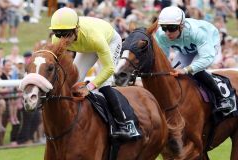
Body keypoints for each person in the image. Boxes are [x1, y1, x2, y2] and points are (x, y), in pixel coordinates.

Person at [49, 7, 139, 139]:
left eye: (67, 34)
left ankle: (125, 124)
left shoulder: (95, 38)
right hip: (86, 45)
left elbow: (109, 69)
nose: (64, 40)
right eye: (58, 34)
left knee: (104, 84)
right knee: (71, 82)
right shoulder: (56, 41)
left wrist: (90, 87)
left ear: (76, 29)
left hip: (109, 41)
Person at [155, 6, 232, 112]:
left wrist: (186, 69)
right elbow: (163, 56)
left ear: (181, 26)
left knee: (195, 71)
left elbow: (206, 58)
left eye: (172, 28)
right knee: (172, 73)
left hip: (209, 43)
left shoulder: (197, 32)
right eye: (164, 27)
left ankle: (222, 98)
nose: (167, 32)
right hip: (186, 50)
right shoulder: (161, 35)